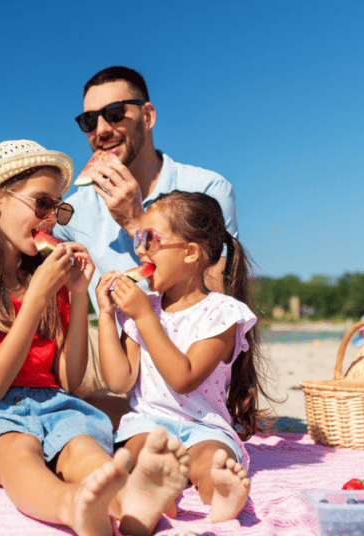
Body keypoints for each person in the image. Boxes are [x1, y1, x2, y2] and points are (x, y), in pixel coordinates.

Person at [0, 140, 190, 536]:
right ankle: (72, 506)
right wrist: (38, 296)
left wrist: (79, 295)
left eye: (58, 208)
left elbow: (70, 379)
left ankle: (135, 508)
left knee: (83, 448)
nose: (50, 221)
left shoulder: (49, 275)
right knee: (16, 452)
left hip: (51, 401)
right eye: (41, 204)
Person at [54, 66, 238, 397]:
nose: (101, 129)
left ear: (148, 116)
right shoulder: (74, 212)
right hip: (117, 367)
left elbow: (216, 295)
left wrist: (137, 223)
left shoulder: (207, 189)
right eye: (88, 121)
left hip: (192, 376)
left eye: (114, 114)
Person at [95, 191, 274, 525]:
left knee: (212, 461)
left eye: (150, 239)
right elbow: (119, 381)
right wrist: (107, 316)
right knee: (134, 457)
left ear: (190, 252)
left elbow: (184, 376)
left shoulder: (222, 314)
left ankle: (220, 493)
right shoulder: (141, 310)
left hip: (204, 425)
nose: (139, 249)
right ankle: (155, 503)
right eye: (137, 238)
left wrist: (144, 318)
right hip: (148, 423)